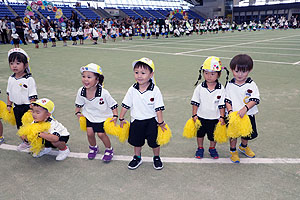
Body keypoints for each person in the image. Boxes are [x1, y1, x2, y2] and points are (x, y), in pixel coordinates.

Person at [119, 57, 167, 170]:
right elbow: (126, 104)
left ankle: (156, 157)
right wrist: (121, 117)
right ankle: (137, 157)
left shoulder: (155, 90)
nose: (139, 76)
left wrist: (161, 122)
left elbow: (158, 108)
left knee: (155, 142)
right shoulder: (132, 89)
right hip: (136, 121)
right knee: (137, 141)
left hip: (152, 122)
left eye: (143, 73)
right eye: (136, 72)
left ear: (151, 74)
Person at [75, 63, 118, 162]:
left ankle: (109, 149)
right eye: (83, 76)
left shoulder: (104, 92)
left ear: (97, 79)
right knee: (90, 133)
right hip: (89, 115)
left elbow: (113, 105)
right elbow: (79, 104)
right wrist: (77, 112)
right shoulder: (81, 91)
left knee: (101, 134)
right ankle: (93, 147)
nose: (85, 79)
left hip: (102, 117)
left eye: (89, 77)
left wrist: (115, 115)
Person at [225, 54, 260, 163]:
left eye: (243, 71)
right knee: (233, 135)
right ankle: (233, 151)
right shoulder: (229, 85)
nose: (240, 74)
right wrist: (230, 112)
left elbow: (255, 99)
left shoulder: (251, 84)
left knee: (246, 134)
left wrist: (245, 108)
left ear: (249, 70)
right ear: (231, 70)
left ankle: (243, 147)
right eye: (236, 71)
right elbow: (227, 100)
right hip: (234, 116)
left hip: (247, 115)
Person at [191, 56, 227, 159]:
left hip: (215, 118)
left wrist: (222, 117)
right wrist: (194, 114)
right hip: (201, 117)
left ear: (218, 74)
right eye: (206, 73)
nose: (209, 76)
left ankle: (212, 148)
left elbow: (222, 105)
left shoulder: (221, 89)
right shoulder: (200, 87)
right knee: (200, 134)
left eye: (212, 73)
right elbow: (195, 102)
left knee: (213, 135)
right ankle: (200, 148)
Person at [6, 48, 38, 150]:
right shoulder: (11, 79)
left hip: (27, 108)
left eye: (18, 63)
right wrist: (9, 105)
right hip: (16, 107)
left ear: (26, 65)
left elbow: (33, 96)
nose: (14, 66)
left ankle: (36, 144)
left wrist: (32, 109)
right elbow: (9, 93)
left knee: (30, 127)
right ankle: (25, 142)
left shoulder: (29, 79)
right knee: (20, 127)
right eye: (11, 63)